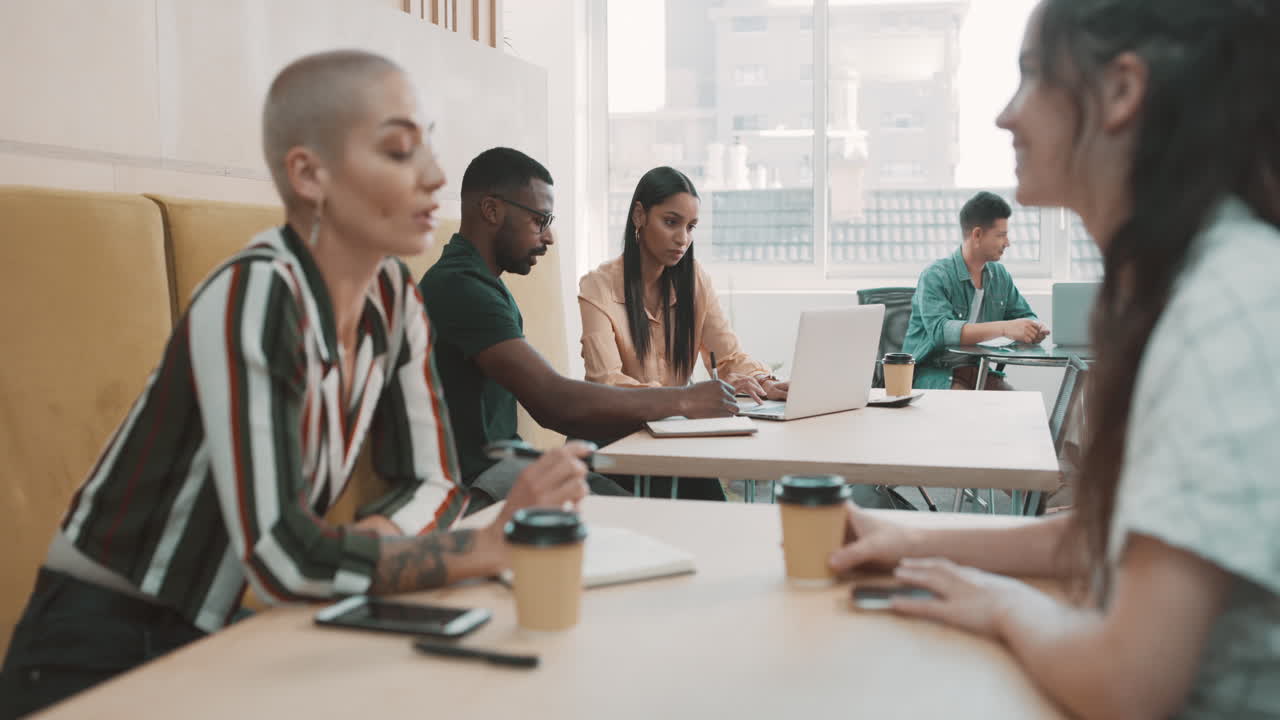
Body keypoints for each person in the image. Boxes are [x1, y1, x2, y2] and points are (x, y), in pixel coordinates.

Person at [0, 51, 593, 718]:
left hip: (223, 630)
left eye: (428, 145)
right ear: (310, 174)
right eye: (401, 150)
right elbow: (284, 560)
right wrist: (473, 548)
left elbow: (434, 481)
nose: (433, 175)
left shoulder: (395, 296)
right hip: (95, 645)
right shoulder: (257, 292)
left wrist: (377, 549)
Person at [829, 1, 1280, 717]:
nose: (1007, 116)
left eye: (1033, 75)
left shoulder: (1222, 307)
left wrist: (999, 605)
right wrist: (908, 535)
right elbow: (1103, 539)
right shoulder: (1189, 283)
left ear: (1122, 91)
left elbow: (1128, 684)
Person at [419, 149, 736, 511]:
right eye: (540, 220)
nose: (549, 237)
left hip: (503, 467)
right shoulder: (461, 287)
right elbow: (554, 402)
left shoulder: (480, 284)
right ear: (491, 211)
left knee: (687, 490)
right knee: (652, 514)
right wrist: (684, 399)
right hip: (475, 486)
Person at [577, 166, 787, 500]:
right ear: (639, 215)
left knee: (712, 519)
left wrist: (767, 383)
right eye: (671, 222)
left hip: (674, 436)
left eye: (690, 227)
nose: (683, 239)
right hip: (614, 443)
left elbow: (729, 358)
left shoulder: (695, 280)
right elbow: (607, 384)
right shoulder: (597, 286)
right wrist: (686, 400)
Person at [901, 191, 1049, 390]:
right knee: (965, 403)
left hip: (976, 370)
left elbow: (1024, 315)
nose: (1008, 243)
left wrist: (1034, 328)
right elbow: (941, 332)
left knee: (1013, 403)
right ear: (977, 235)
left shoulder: (999, 275)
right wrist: (1005, 328)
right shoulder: (935, 276)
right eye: (1001, 235)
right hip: (929, 372)